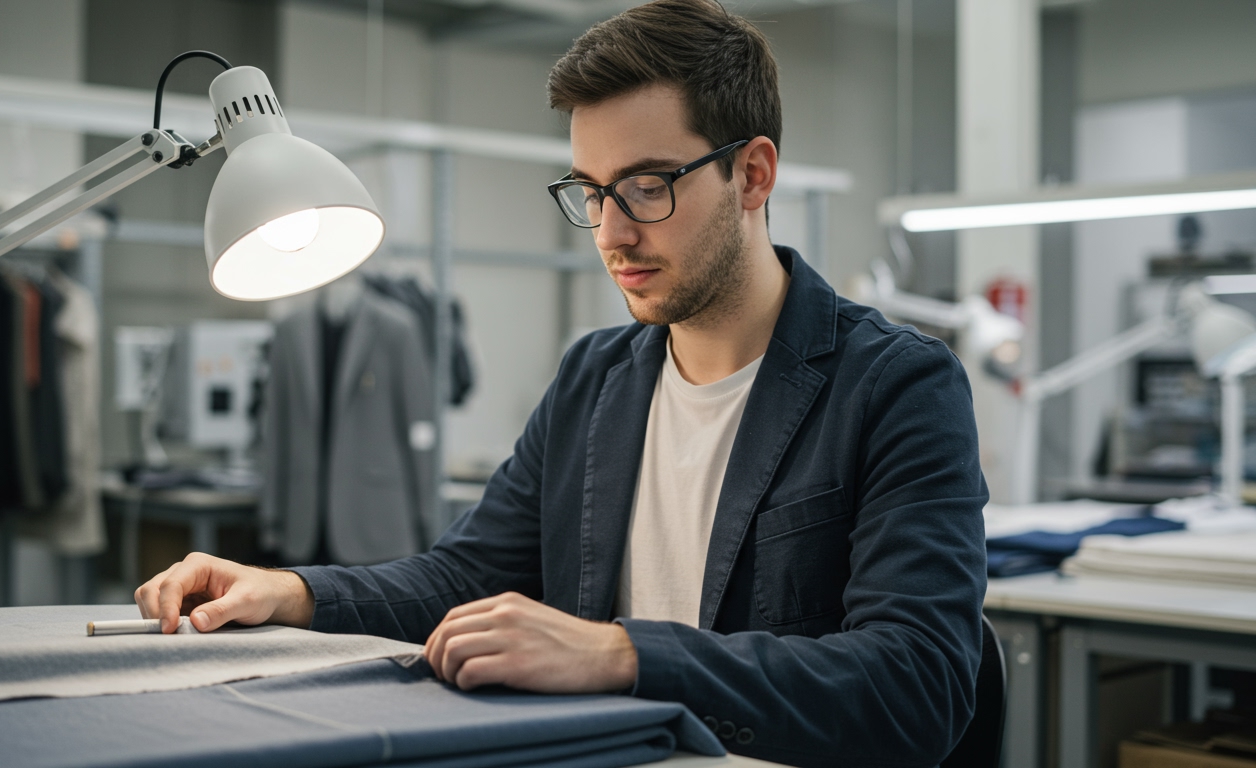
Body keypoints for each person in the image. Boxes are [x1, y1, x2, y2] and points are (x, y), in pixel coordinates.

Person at [135, 0, 987, 763]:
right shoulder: (596, 377)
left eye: (648, 187)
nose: (612, 232)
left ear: (753, 174)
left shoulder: (896, 386)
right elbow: (465, 578)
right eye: (590, 191)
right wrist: (290, 591)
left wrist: (618, 653)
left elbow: (916, 685)